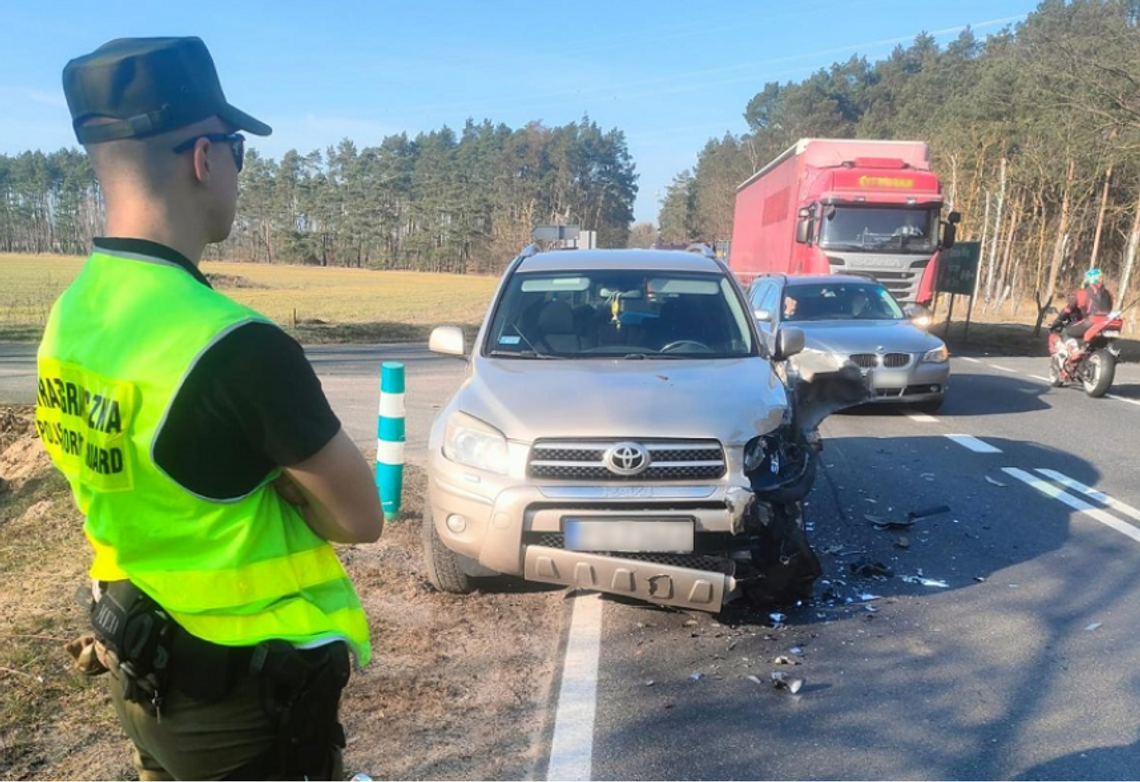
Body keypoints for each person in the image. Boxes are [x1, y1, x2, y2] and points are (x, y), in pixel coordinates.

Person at [40, 37, 384, 780]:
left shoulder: (72, 315)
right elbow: (360, 519)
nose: (235, 168)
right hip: (243, 709)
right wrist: (276, 480)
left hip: (141, 666)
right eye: (237, 149)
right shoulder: (237, 346)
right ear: (204, 157)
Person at [1050, 267, 1115, 342]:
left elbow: (1068, 309)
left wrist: (1058, 320)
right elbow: (1109, 308)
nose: (1085, 280)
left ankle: (1074, 350)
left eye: (1086, 278)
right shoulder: (1108, 294)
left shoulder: (1083, 292)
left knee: (1065, 331)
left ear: (1090, 279)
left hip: (1090, 322)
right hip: (1105, 322)